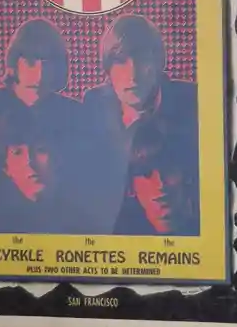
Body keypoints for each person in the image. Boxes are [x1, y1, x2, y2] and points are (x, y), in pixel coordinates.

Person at [0, 18, 116, 235]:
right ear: (14, 64)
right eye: (31, 62)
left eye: (47, 63)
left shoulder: (76, 114)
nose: (39, 74)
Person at [82, 15, 200, 236]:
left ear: (158, 64)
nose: (132, 75)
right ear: (107, 69)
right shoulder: (94, 104)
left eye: (142, 60)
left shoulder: (192, 101)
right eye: (120, 61)